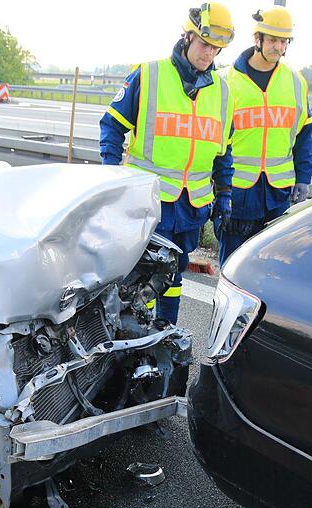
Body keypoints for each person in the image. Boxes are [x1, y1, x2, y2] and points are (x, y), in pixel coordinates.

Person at [100, 2, 235, 325]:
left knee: (174, 275)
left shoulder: (223, 92)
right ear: (187, 37)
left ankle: (166, 330)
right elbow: (112, 126)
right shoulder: (149, 76)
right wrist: (111, 178)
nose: (208, 55)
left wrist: (225, 193)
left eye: (215, 49)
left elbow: (223, 152)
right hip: (147, 202)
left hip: (191, 206)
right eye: (204, 44)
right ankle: (131, 339)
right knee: (139, 276)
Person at [217, 6, 312, 265]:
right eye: (272, 40)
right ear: (257, 39)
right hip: (237, 194)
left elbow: (305, 134)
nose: (278, 47)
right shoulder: (225, 81)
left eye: (284, 41)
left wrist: (304, 178)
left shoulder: (295, 82)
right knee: (233, 265)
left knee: (270, 267)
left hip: (277, 194)